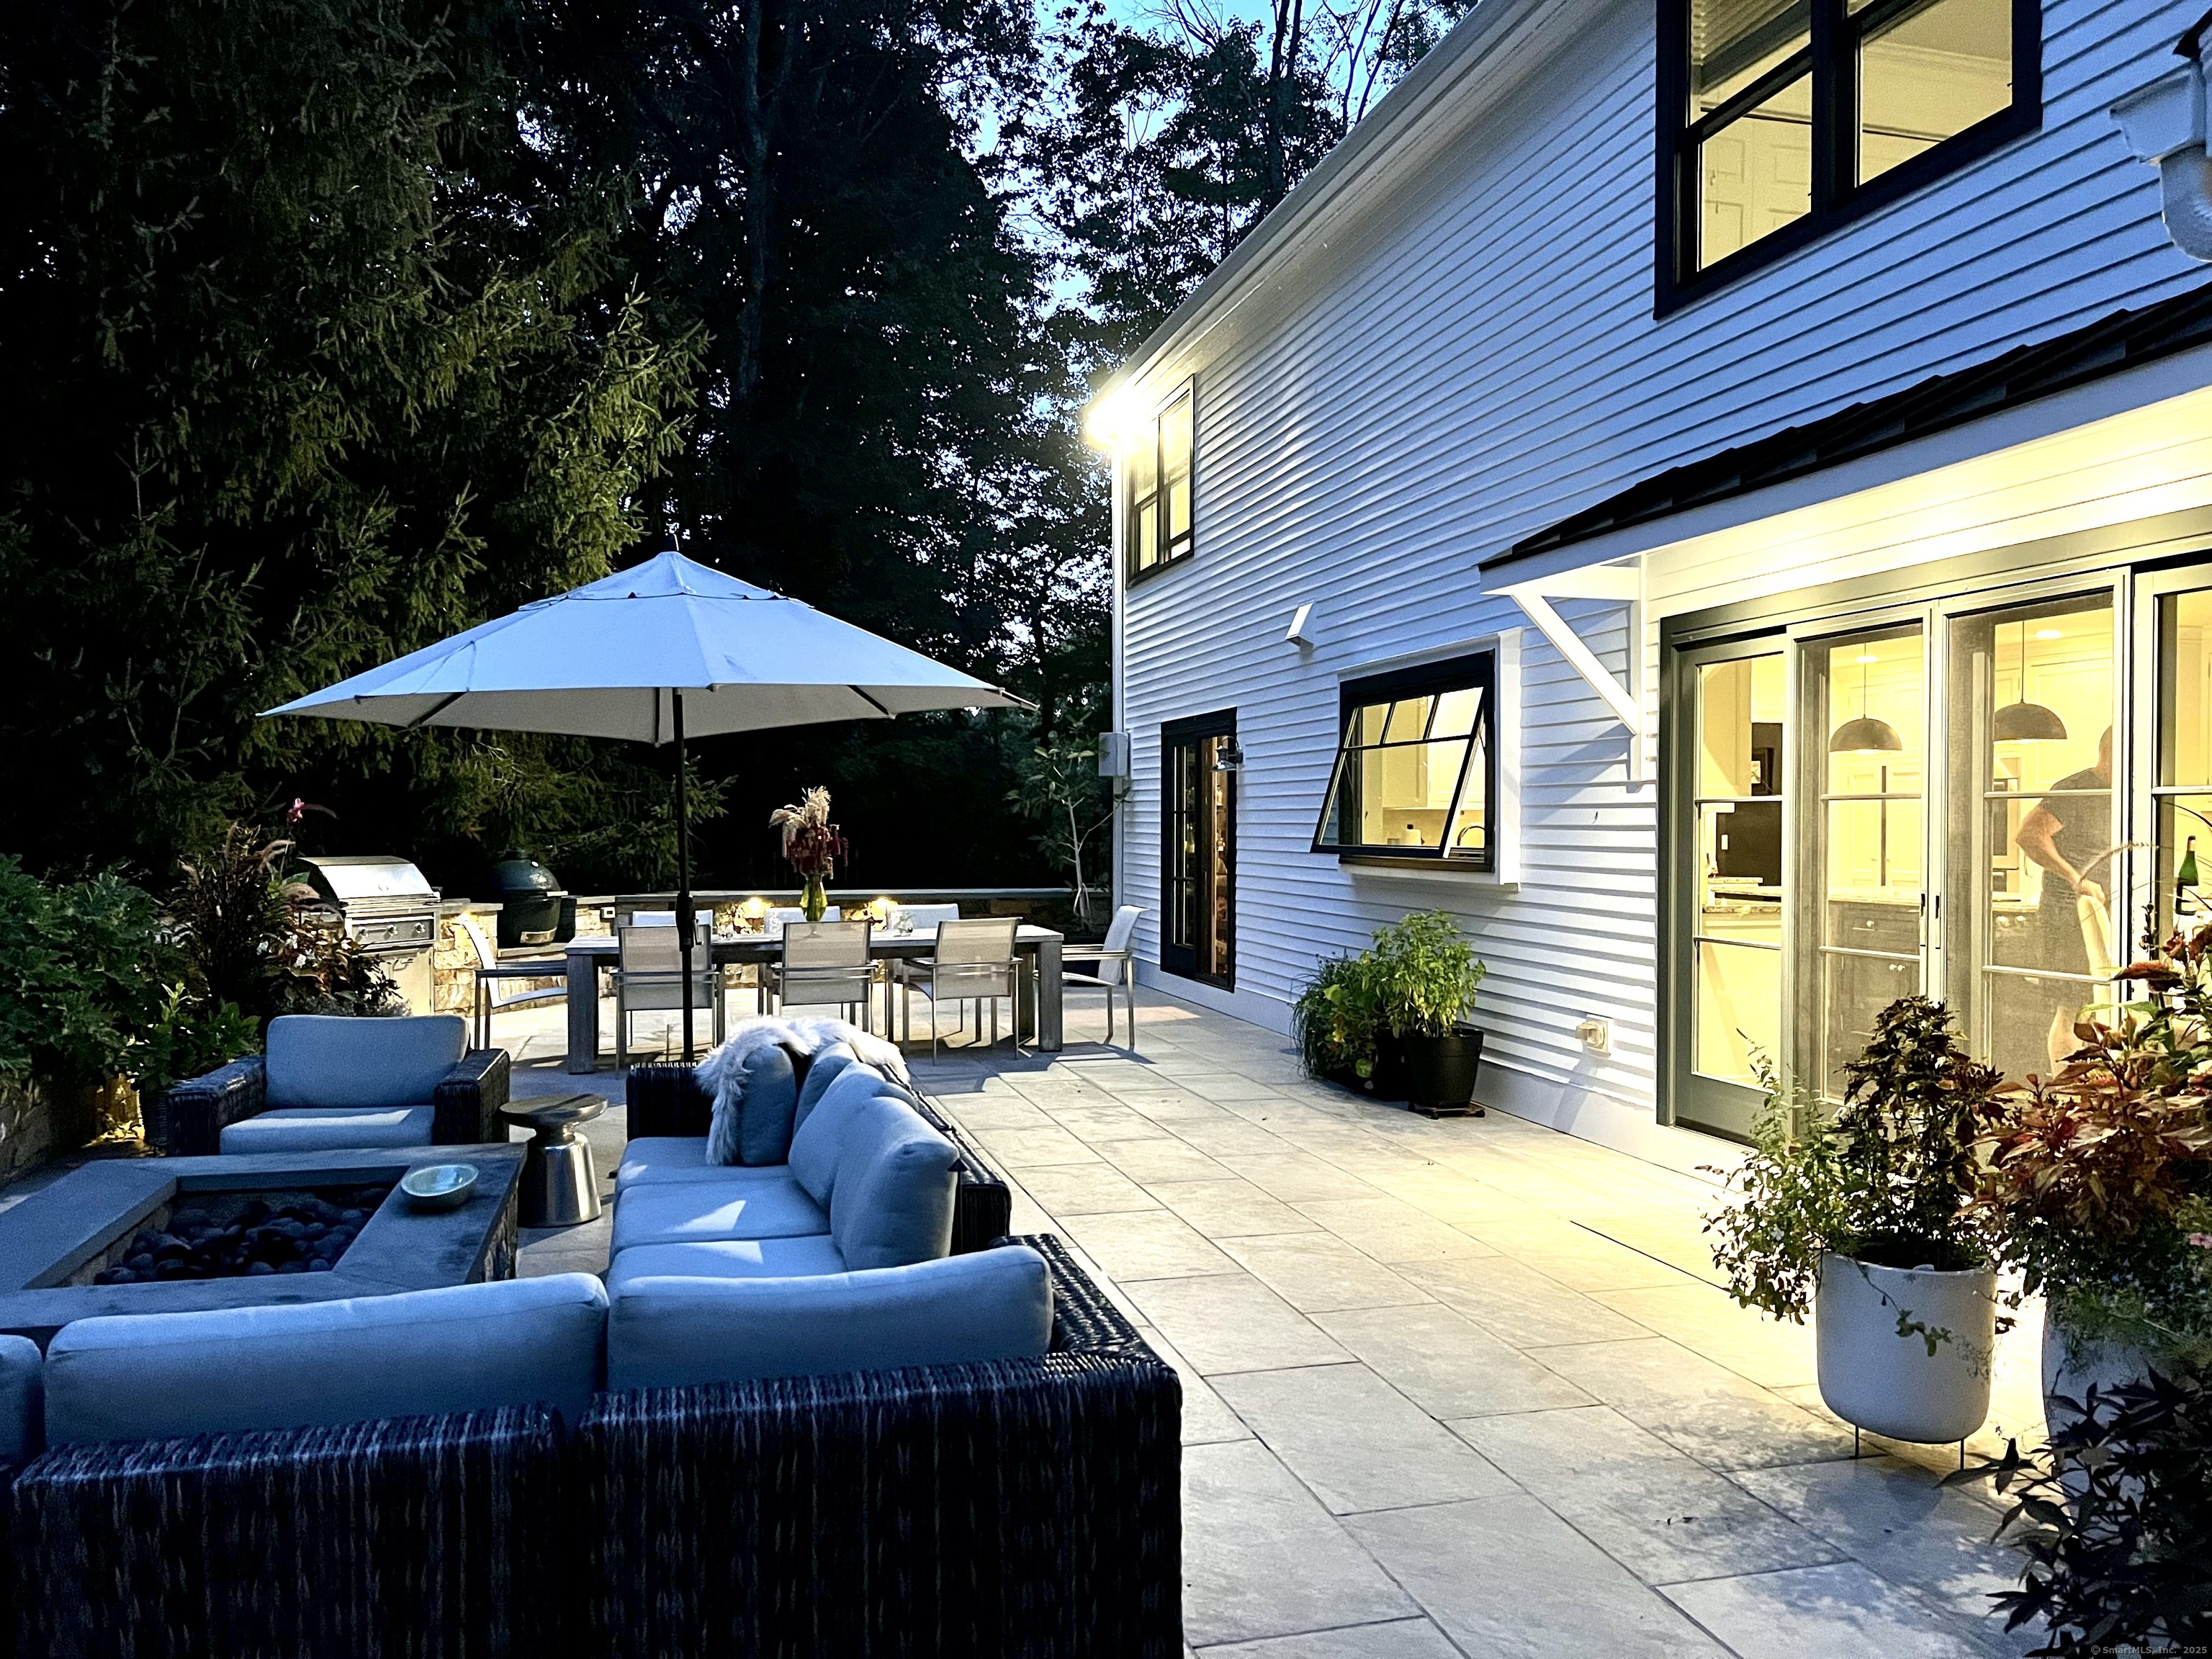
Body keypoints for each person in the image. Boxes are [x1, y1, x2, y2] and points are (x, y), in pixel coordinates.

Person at [2013, 727, 2113, 1070]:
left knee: (2100, 1007)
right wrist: (2077, 878)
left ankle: (2092, 1098)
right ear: (2109, 751)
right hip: (2068, 916)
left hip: (2104, 914)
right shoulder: (2077, 789)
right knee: (2071, 1007)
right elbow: (2029, 835)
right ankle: (2061, 1097)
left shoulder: (2128, 789)